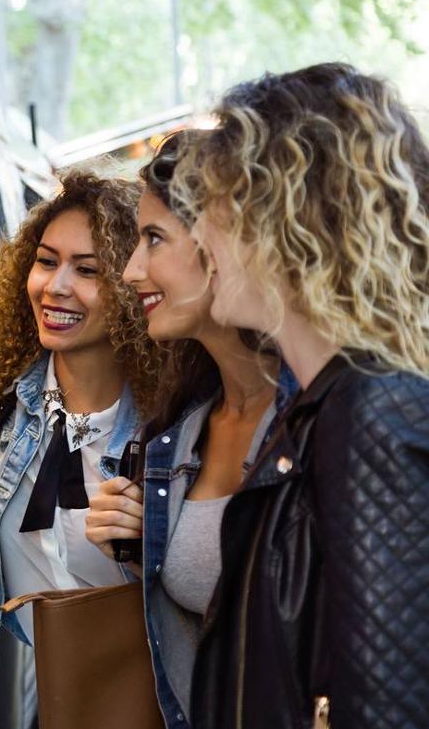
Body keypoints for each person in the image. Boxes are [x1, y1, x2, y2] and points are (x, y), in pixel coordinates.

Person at [177, 63, 429, 729]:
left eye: (216, 203)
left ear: (288, 214)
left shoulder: (370, 410)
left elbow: (388, 709)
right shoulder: (329, 406)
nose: (200, 233)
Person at [84, 132, 296, 729]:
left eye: (154, 240)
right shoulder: (181, 432)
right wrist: (136, 548)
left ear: (223, 245)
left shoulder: (319, 426)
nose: (129, 271)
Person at [0, 169, 161, 696]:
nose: (55, 287)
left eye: (88, 270)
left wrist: (155, 543)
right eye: (46, 261)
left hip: (151, 699)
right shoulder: (8, 390)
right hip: (55, 692)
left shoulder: (169, 428)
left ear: (135, 285)